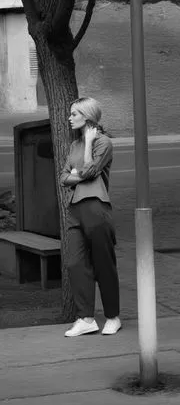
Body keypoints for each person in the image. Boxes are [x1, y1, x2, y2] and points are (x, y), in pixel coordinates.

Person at [60, 97, 121, 337]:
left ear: (87, 116)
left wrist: (88, 146)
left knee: (104, 264)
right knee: (75, 263)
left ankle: (112, 316)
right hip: (75, 210)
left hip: (97, 207)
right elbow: (63, 177)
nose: (70, 117)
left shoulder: (103, 143)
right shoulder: (74, 145)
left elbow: (89, 170)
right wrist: (78, 173)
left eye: (74, 114)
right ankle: (86, 318)